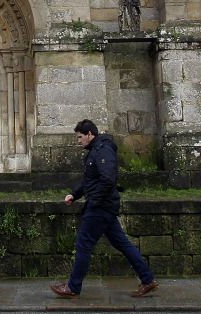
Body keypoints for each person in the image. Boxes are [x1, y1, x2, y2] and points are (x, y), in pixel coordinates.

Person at [50, 119, 157, 299]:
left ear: (90, 134)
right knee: (122, 243)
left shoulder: (103, 150)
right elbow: (89, 181)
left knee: (83, 244)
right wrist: (74, 195)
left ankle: (73, 287)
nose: (78, 141)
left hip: (101, 207)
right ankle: (148, 279)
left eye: (80, 137)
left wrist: (94, 201)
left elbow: (108, 180)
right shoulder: (95, 151)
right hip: (104, 206)